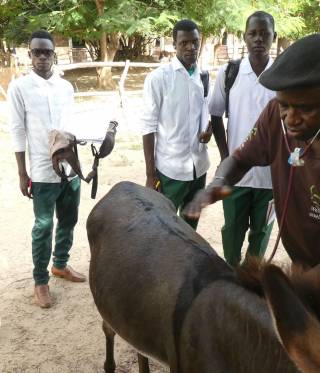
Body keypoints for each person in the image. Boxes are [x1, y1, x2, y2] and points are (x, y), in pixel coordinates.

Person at [184, 33, 320, 270]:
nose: (290, 118)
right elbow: (240, 159)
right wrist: (219, 183)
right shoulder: (273, 115)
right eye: (284, 106)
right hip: (303, 263)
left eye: (305, 108)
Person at [8, 30, 85, 309]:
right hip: (42, 171)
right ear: (29, 55)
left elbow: (72, 125)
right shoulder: (20, 88)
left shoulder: (65, 87)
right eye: (36, 52)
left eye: (47, 52)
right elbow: (17, 130)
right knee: (43, 226)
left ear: (54, 54)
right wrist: (21, 172)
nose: (42, 57)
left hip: (69, 167)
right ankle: (40, 281)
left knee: (68, 219)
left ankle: (60, 265)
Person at [209, 11, 277, 266]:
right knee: (232, 231)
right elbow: (216, 115)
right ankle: (231, 277)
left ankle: (251, 283)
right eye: (253, 33)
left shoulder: (282, 77)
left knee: (261, 235)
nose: (259, 39)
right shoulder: (229, 73)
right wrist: (226, 157)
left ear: (274, 37)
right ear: (244, 37)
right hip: (237, 176)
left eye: (264, 34)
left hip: (271, 178)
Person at [141, 19, 212, 230]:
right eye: (184, 43)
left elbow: (204, 112)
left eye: (195, 42)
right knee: (164, 227)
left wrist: (207, 132)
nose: (191, 47)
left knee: (190, 227)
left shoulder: (203, 77)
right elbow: (148, 126)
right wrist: (150, 174)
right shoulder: (159, 78)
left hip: (198, 168)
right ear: (174, 45)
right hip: (170, 170)